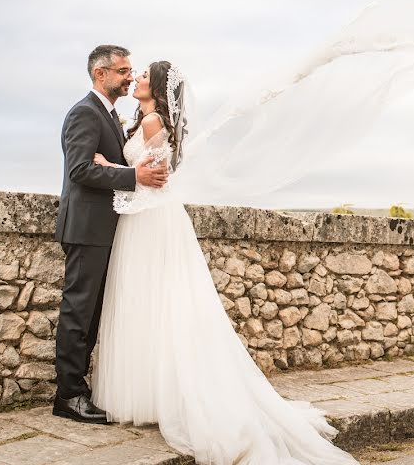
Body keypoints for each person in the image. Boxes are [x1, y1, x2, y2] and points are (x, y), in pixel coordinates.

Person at [90, 60, 359, 465]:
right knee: (160, 305)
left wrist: (108, 166)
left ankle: (157, 396)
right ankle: (155, 393)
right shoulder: (148, 120)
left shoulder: (150, 123)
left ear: (158, 87)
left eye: (144, 75)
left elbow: (150, 179)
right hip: (152, 220)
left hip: (149, 221)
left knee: (153, 304)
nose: (137, 79)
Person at [54, 45, 168, 424]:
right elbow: (80, 171)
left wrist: (122, 169)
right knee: (78, 311)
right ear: (100, 74)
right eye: (122, 70)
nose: (129, 76)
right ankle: (68, 395)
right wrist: (131, 175)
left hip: (105, 228)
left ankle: (79, 391)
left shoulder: (110, 115)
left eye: (131, 70)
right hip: (87, 228)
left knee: (91, 314)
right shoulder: (85, 113)